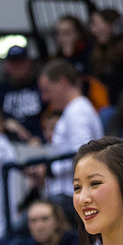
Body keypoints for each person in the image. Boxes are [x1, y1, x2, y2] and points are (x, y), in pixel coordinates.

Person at [38, 60, 104, 198]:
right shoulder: (74, 109)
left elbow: (84, 156)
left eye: (47, 90)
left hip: (71, 195)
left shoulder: (77, 111)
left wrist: (49, 169)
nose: (44, 98)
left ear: (62, 83)